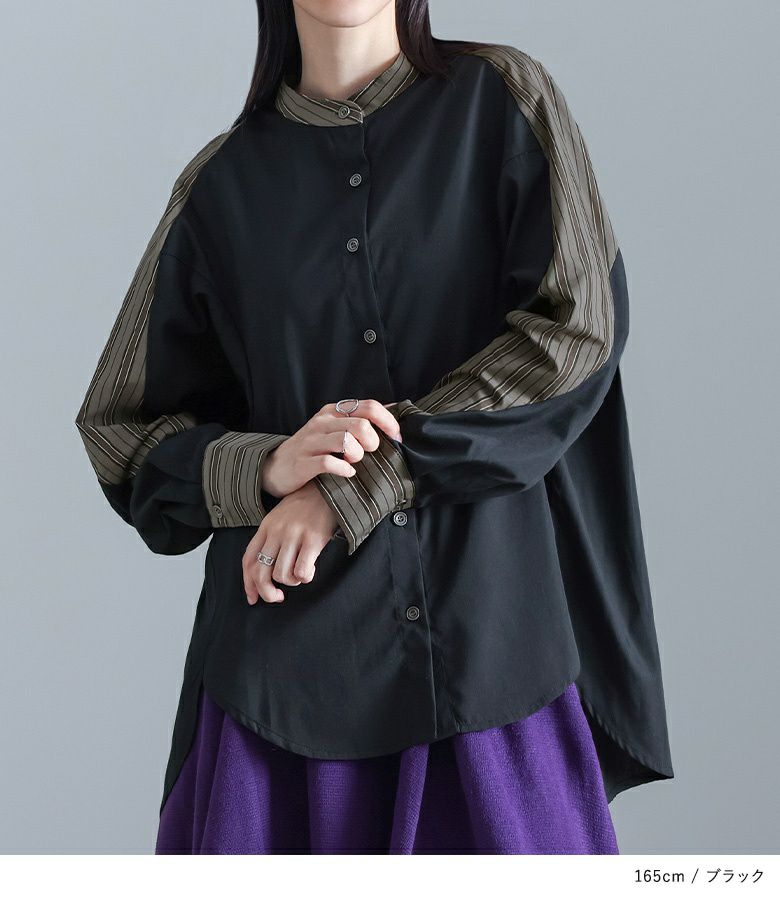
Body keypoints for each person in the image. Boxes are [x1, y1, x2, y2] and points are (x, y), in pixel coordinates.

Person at [74, 0, 674, 854]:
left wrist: (354, 483)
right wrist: (267, 467)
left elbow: (575, 332)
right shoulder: (220, 188)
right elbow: (119, 431)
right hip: (279, 706)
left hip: (491, 663)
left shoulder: (504, 100)